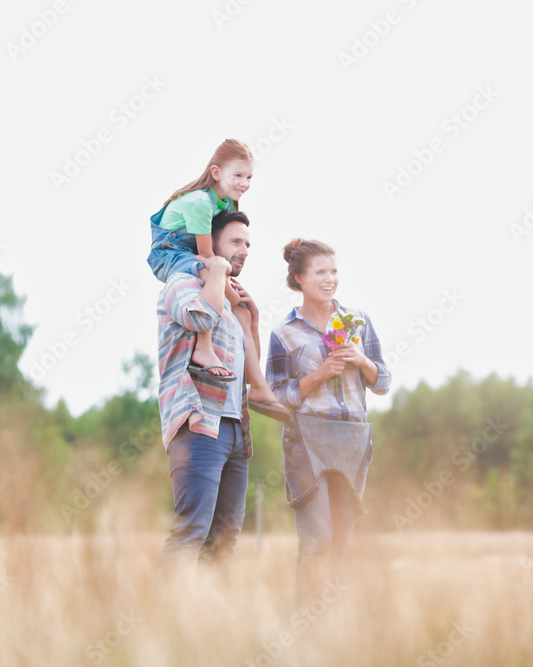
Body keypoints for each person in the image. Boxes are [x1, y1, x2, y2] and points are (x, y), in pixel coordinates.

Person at [266, 238, 391, 603]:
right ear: (299, 278)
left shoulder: (358, 322)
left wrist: (361, 361)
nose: (330, 279)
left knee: (341, 543)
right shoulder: (284, 333)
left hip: (352, 439)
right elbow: (275, 397)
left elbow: (382, 382)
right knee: (316, 539)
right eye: (321, 272)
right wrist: (319, 375)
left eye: (334, 271)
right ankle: (305, 627)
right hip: (307, 440)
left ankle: (334, 629)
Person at [147, 139, 288, 422]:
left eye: (248, 177)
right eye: (237, 175)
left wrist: (241, 307)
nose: (244, 183)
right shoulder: (201, 202)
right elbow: (208, 256)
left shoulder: (222, 202)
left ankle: (259, 386)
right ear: (216, 173)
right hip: (170, 252)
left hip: (190, 253)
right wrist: (229, 294)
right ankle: (204, 347)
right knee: (216, 272)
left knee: (236, 303)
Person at [156, 210, 263, 569]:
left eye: (248, 243)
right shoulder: (180, 284)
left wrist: (252, 320)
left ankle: (209, 621)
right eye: (236, 241)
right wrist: (216, 272)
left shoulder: (231, 307)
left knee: (224, 539)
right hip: (199, 422)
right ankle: (162, 615)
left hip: (234, 428)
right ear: (210, 242)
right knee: (192, 531)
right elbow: (200, 317)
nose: (245, 249)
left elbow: (250, 374)